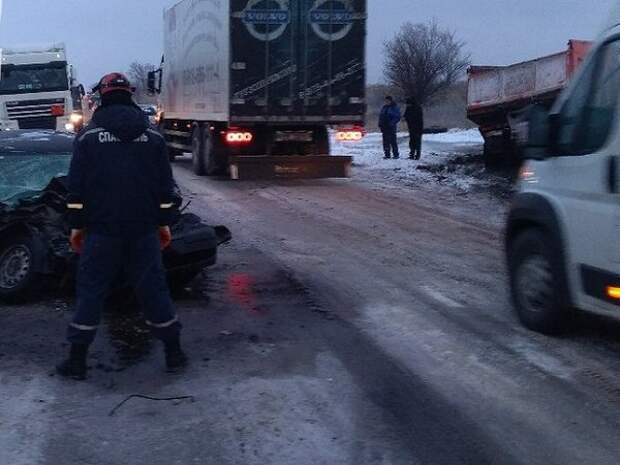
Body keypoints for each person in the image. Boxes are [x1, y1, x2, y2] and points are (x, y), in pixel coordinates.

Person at [56, 72, 187, 380]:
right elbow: (165, 188)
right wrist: (164, 223)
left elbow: (77, 190)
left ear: (102, 96)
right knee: (154, 290)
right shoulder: (153, 136)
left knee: (91, 292)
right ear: (129, 94)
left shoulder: (88, 137)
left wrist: (77, 226)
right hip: (143, 231)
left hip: (101, 231)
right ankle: (174, 353)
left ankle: (76, 361)